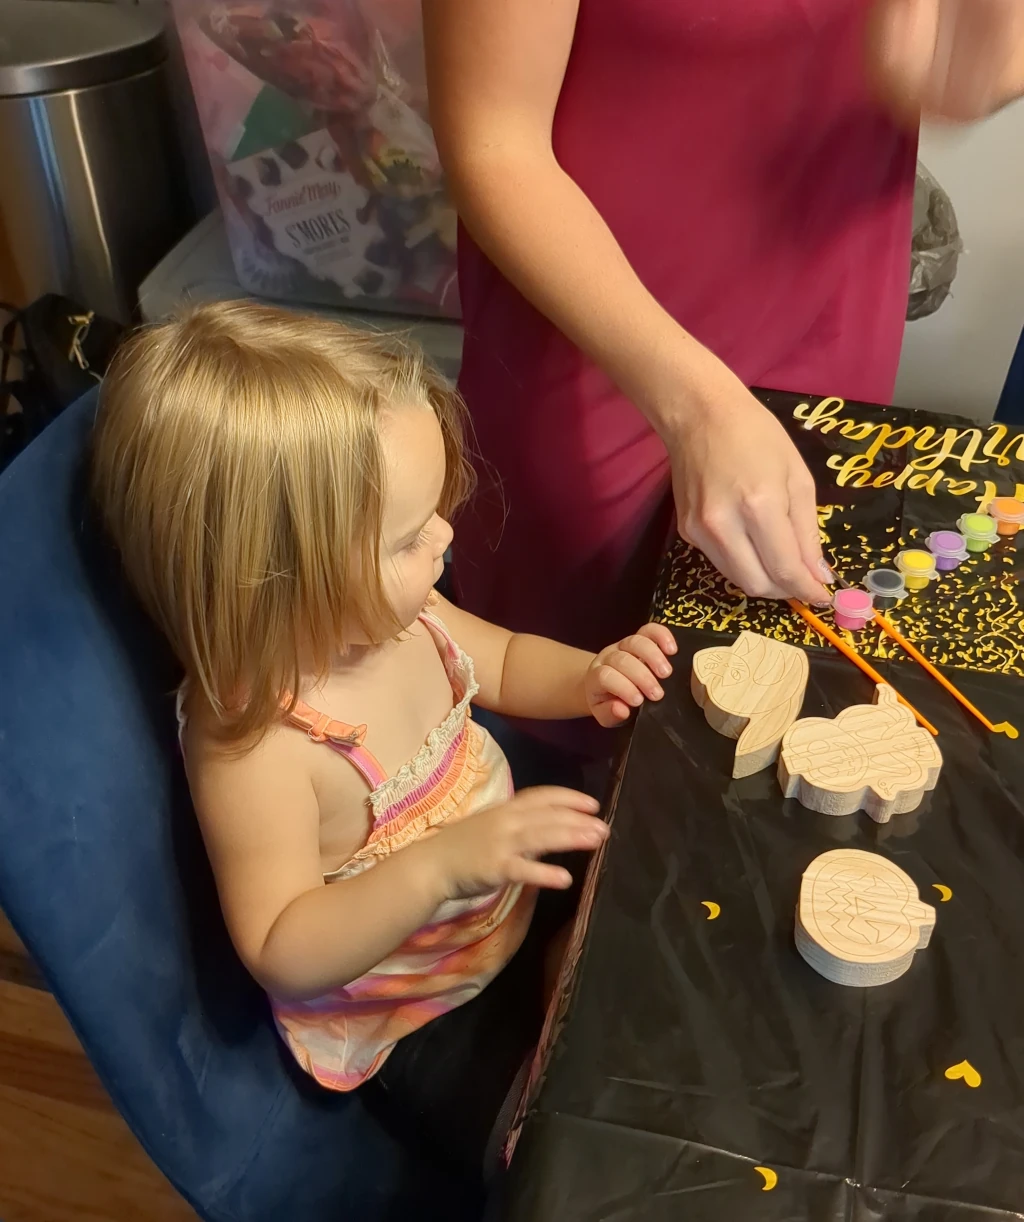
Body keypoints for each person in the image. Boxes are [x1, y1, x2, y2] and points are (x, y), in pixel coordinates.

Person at [90, 300, 677, 1172]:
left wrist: (589, 678)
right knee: (560, 1149)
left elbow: (508, 662)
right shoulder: (259, 747)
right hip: (419, 1011)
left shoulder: (404, 614)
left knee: (661, 920)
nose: (444, 535)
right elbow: (283, 947)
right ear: (280, 578)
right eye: (408, 537)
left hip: (503, 899)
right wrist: (443, 864)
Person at [423, 0, 1024, 658]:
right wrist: (699, 407)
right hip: (610, 344)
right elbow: (495, 145)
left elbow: (977, 56)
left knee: (786, 657)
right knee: (581, 670)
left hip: (834, 315)